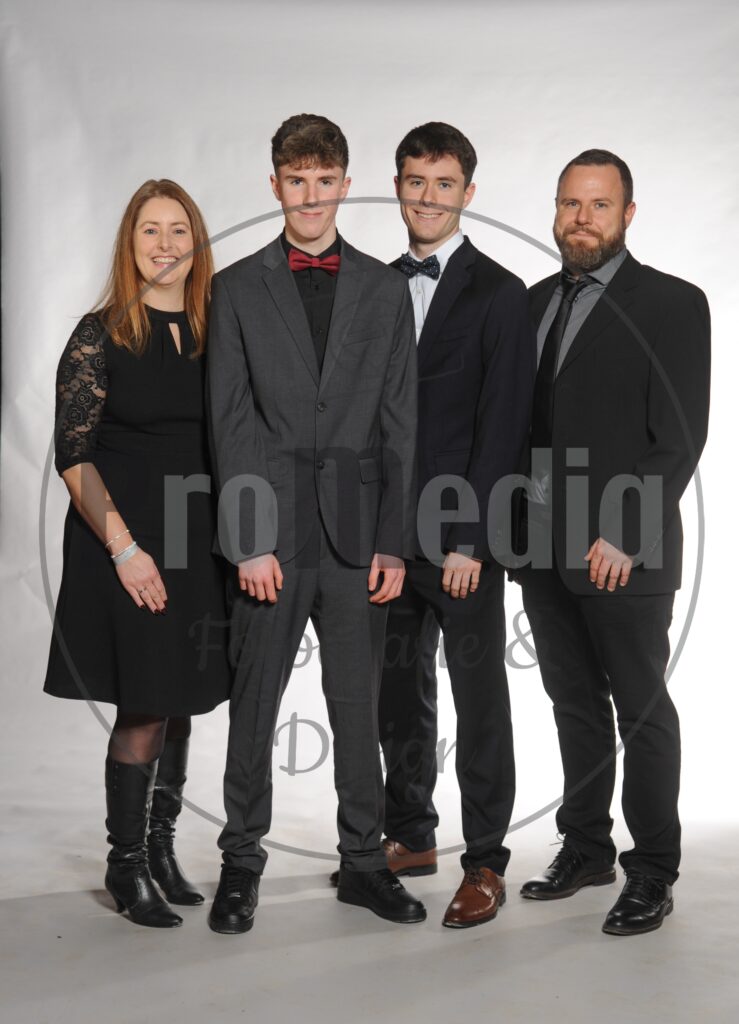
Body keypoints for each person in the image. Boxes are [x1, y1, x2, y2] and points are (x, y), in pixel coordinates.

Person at [206, 113, 424, 934]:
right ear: (274, 186)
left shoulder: (383, 289)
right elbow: (230, 422)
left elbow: (399, 422)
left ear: (344, 184)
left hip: (358, 536)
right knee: (254, 703)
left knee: (357, 708)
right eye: (295, 181)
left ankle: (363, 863)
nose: (309, 195)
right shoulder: (235, 288)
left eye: (323, 180)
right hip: (271, 537)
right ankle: (240, 861)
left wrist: (394, 541)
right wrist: (248, 539)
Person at [517, 150, 710, 935]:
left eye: (598, 205)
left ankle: (652, 869)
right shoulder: (532, 302)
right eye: (569, 203)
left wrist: (623, 535)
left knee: (640, 710)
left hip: (623, 552)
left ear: (626, 214)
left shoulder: (671, 303)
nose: (581, 218)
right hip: (540, 548)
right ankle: (586, 847)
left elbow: (679, 437)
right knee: (572, 705)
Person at [45, 179, 231, 928]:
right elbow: (73, 455)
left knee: (179, 696)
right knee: (145, 703)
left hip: (196, 540)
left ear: (196, 241)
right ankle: (125, 865)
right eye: (150, 230)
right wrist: (125, 550)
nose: (165, 244)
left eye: (178, 229)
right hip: (124, 540)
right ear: (130, 242)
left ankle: (160, 848)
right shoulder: (101, 334)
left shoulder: (217, 328)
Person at [363, 122, 535, 929]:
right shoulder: (373, 286)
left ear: (467, 193)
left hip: (461, 539)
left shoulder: (500, 292)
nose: (426, 197)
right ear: (397, 187)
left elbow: (504, 425)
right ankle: (410, 833)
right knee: (398, 692)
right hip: (386, 538)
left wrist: (472, 540)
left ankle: (485, 861)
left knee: (478, 699)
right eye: (413, 181)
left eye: (442, 184)